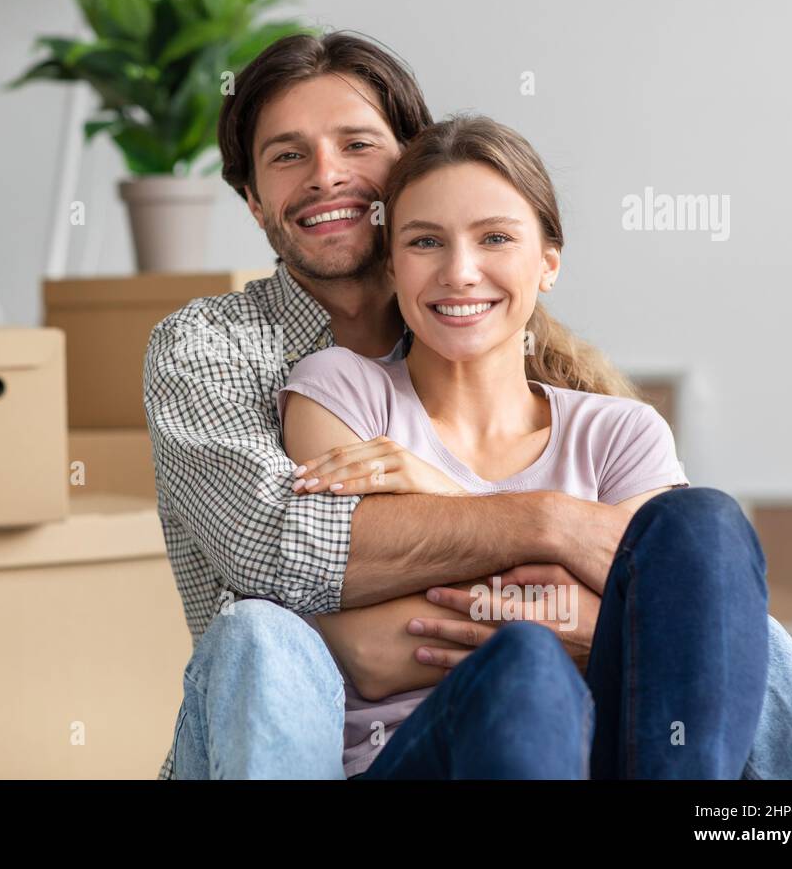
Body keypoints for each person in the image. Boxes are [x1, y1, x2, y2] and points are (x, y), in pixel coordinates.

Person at [143, 30, 792, 779]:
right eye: (288, 155)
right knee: (270, 633)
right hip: (306, 731)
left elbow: (685, 603)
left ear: (406, 160)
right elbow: (273, 548)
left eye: (357, 144)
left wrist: (460, 528)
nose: (327, 176)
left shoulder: (562, 386)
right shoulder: (226, 352)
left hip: (562, 729)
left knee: (735, 615)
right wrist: (551, 525)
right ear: (254, 201)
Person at [276, 114, 765, 777]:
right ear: (391, 264)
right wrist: (576, 600)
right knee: (528, 662)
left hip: (612, 759)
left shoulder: (621, 432)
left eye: (495, 238)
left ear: (547, 264)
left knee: (705, 521)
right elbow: (353, 609)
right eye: (425, 242)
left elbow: (682, 610)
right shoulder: (342, 393)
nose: (460, 272)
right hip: (411, 757)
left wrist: (439, 498)